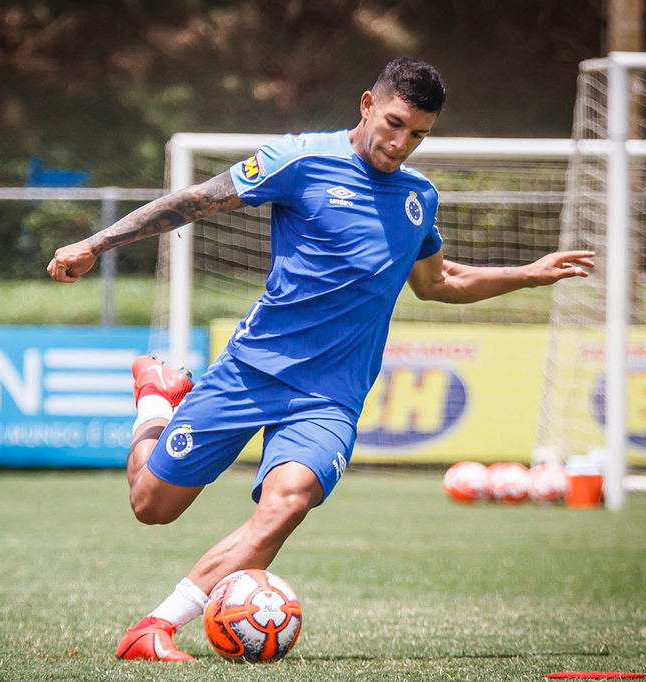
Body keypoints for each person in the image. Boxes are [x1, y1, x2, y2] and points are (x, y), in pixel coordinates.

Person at [48, 58, 595, 661]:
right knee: (151, 507)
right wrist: (95, 243)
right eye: (393, 123)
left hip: (329, 398)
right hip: (252, 370)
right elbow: (196, 202)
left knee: (287, 502)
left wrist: (525, 274)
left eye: (418, 134)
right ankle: (156, 399)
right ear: (366, 103)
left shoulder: (419, 198)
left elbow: (438, 283)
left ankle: (156, 626)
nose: (401, 143)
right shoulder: (301, 160)